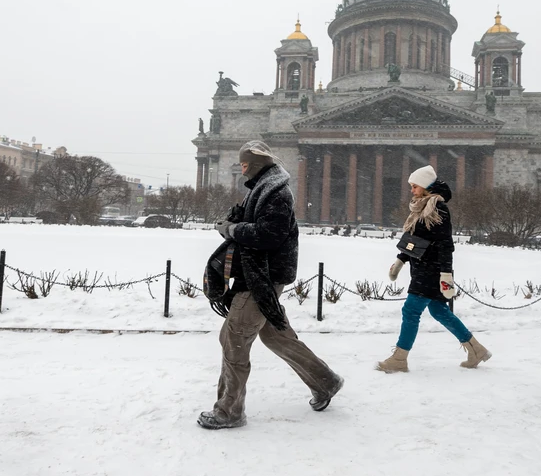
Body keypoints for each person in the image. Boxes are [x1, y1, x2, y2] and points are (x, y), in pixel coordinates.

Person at [198, 140, 344, 430]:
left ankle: (229, 410)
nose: (241, 169)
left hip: (261, 278)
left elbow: (269, 235)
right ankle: (325, 382)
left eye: (244, 164)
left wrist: (232, 229)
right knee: (276, 337)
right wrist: (240, 219)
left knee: (234, 338)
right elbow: (264, 228)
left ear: (254, 165)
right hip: (263, 275)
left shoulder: (275, 192)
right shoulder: (266, 188)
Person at [377, 165, 491, 373]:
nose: (411, 190)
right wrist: (400, 260)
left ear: (425, 186)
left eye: (414, 186)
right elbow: (414, 239)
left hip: (432, 270)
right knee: (439, 311)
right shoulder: (421, 207)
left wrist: (446, 274)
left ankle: (400, 358)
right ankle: (477, 349)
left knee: (411, 310)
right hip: (424, 267)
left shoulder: (438, 209)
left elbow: (445, 244)